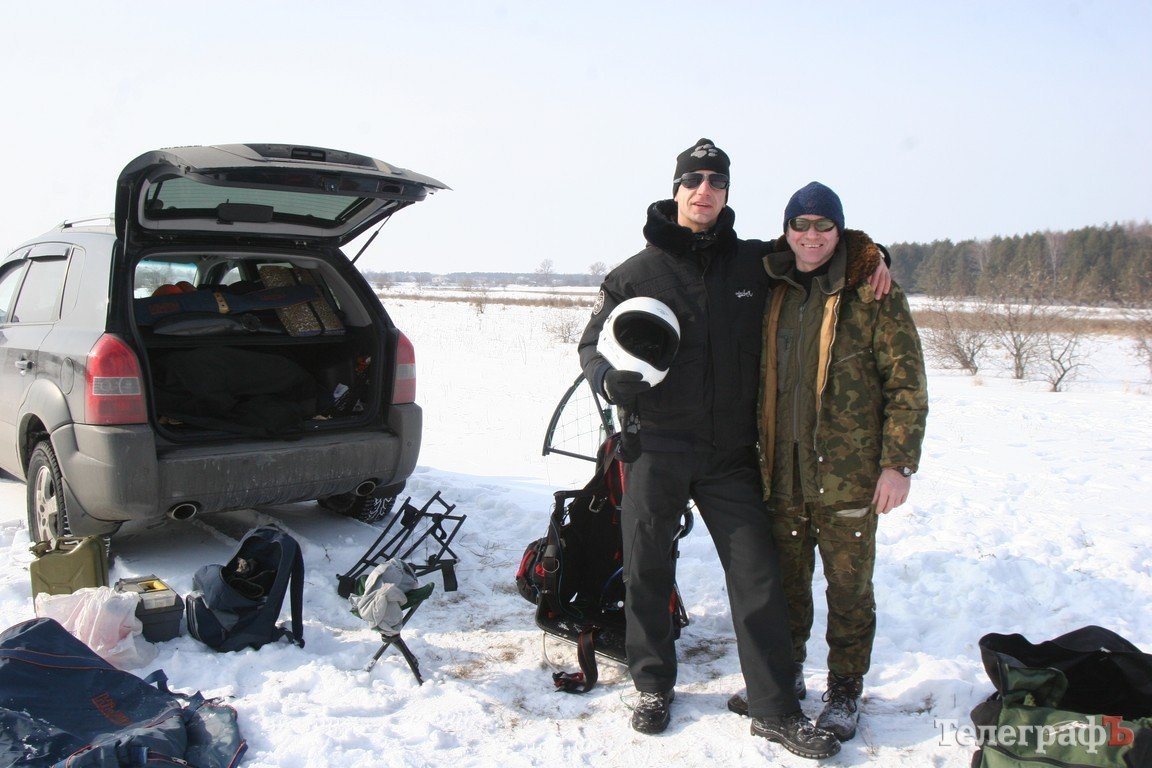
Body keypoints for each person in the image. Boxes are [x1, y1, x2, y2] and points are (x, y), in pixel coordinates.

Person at [578, 141, 885, 760]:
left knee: (757, 576)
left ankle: (773, 708)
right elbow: (592, 345)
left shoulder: (754, 263)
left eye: (715, 181)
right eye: (692, 180)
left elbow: (819, 245)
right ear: (675, 189)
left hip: (730, 455)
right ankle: (651, 686)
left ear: (726, 193)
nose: (704, 190)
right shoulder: (635, 274)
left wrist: (875, 257)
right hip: (656, 447)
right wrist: (609, 380)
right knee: (647, 569)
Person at [740, 181, 928, 743]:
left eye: (823, 226)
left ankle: (845, 688)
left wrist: (898, 464)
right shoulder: (771, 286)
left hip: (848, 475)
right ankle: (788, 673)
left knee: (849, 588)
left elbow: (907, 383)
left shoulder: (872, 293)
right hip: (782, 470)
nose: (811, 236)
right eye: (801, 225)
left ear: (839, 231)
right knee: (786, 584)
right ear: (787, 231)